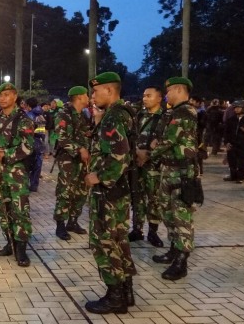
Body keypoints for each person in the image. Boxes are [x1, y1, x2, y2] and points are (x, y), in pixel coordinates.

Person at [84, 72, 137, 314]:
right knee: (118, 239)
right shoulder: (121, 114)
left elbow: (120, 154)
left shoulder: (113, 117)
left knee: (103, 241)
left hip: (107, 191)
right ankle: (126, 292)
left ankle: (115, 295)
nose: (92, 96)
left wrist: (100, 177)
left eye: (95, 91)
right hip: (118, 190)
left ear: (109, 90)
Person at [137, 77, 198, 281]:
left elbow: (167, 139)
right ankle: (174, 249)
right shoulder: (173, 112)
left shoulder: (185, 112)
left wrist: (148, 152)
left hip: (182, 173)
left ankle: (182, 261)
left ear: (179, 90)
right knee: (168, 212)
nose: (167, 95)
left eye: (170, 91)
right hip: (168, 169)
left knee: (182, 216)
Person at [0, 83, 35, 267]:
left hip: (17, 174)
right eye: (0, 95)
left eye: (6, 95)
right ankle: (10, 242)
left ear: (14, 97)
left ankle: (21, 249)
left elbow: (28, 147)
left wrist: (3, 153)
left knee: (19, 210)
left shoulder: (24, 120)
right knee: (2, 208)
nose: (2, 98)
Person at [128, 86, 166, 247]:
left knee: (154, 198)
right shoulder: (138, 115)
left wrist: (148, 154)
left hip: (154, 166)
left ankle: (153, 231)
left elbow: (166, 141)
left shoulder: (166, 117)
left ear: (159, 98)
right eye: (144, 96)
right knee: (137, 197)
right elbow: (130, 135)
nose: (145, 98)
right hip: (137, 163)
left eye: (149, 96)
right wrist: (136, 152)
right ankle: (137, 229)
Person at [53, 86, 90, 241]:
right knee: (66, 190)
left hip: (83, 160)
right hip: (68, 159)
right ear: (80, 97)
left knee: (81, 190)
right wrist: (80, 149)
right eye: (86, 95)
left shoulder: (83, 115)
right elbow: (62, 138)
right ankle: (60, 225)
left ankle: (73, 221)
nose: (89, 98)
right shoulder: (64, 114)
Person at [223, 100, 244, 183]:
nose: (236, 109)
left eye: (238, 108)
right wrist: (226, 143)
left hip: (243, 143)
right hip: (232, 143)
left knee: (242, 161)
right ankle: (233, 176)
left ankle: (240, 177)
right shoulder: (231, 119)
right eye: (235, 108)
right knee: (232, 161)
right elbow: (226, 132)